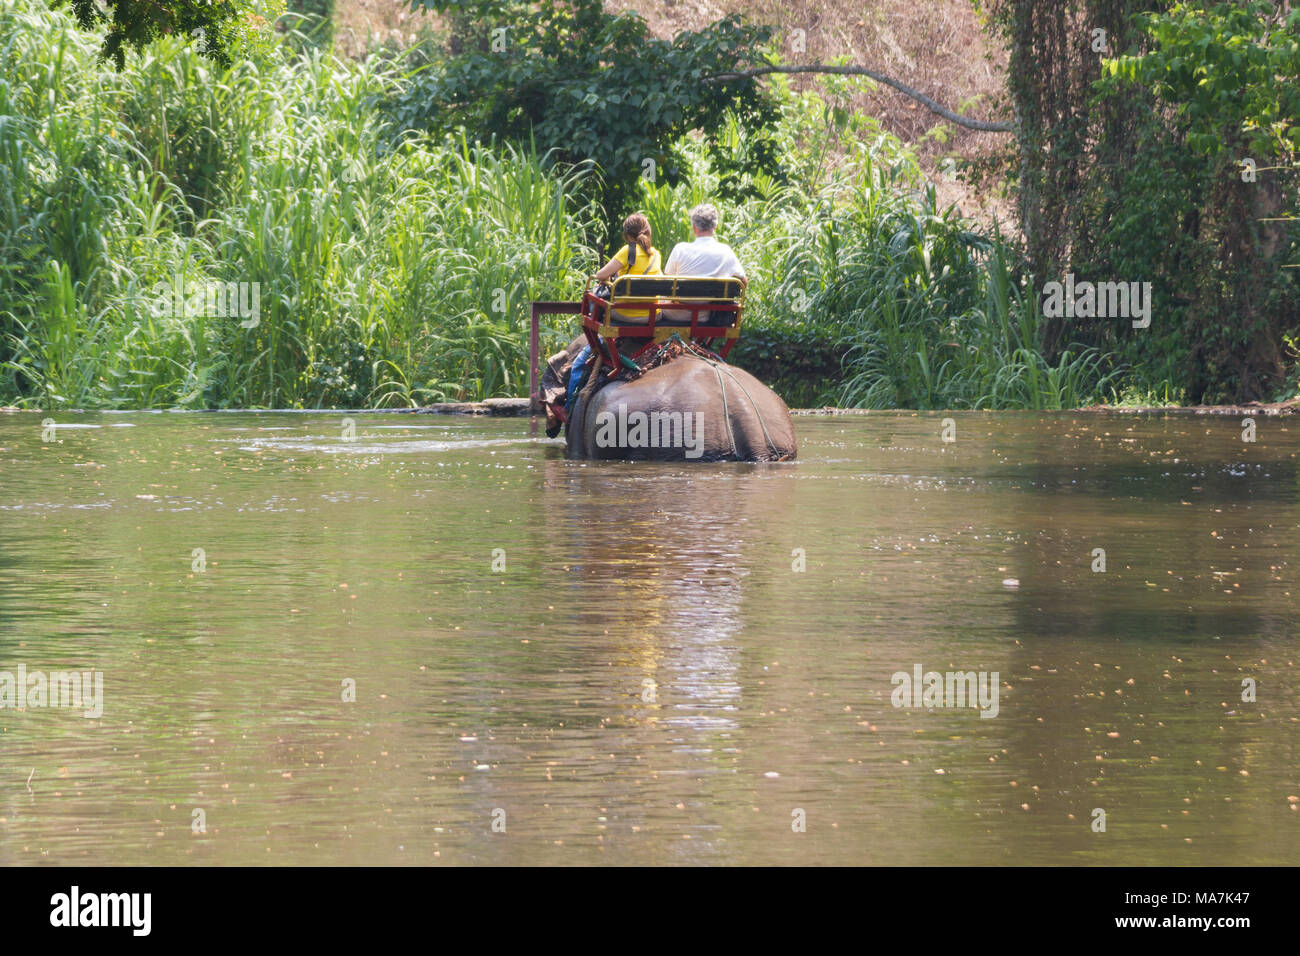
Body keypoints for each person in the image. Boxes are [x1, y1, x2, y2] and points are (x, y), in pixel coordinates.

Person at [660, 204, 746, 323]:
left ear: (694, 227)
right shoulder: (725, 251)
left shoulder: (680, 249)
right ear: (715, 226)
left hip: (675, 313)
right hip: (707, 315)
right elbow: (743, 281)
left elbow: (668, 281)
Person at [592, 212, 662, 323]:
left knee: (594, 297)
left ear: (627, 234)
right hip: (653, 315)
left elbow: (600, 275)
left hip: (625, 313)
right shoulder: (655, 254)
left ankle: (602, 339)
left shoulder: (628, 250)